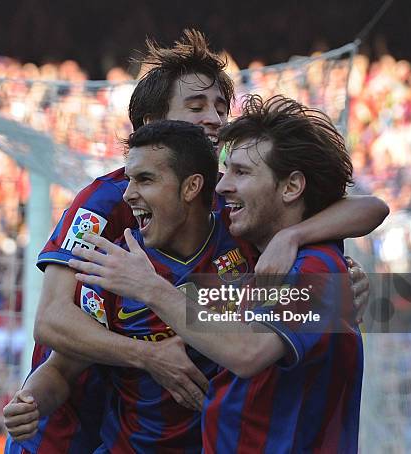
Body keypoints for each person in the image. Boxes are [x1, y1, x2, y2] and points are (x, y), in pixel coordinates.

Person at [4, 30, 385, 451]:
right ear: (152, 125)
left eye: (221, 107)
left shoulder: (241, 218)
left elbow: (371, 214)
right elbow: (52, 325)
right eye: (196, 106)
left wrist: (324, 282)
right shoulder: (108, 207)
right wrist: (147, 352)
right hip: (73, 425)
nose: (214, 119)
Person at [70, 95, 371, 452]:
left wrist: (149, 287)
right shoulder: (262, 266)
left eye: (241, 172)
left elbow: (248, 352)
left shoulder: (316, 267)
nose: (222, 186)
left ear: (291, 187)